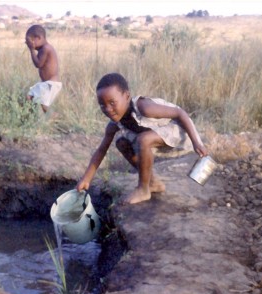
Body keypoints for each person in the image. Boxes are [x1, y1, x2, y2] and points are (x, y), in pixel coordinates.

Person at [76, 73, 208, 204]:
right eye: (102, 105)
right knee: (122, 143)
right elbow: (101, 150)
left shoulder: (144, 107)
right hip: (158, 138)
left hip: (182, 132)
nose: (108, 109)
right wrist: (86, 179)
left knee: (143, 139)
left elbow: (180, 113)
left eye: (112, 102)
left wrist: (197, 142)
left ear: (127, 96)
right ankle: (153, 182)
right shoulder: (114, 125)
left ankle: (143, 190)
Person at [25, 25, 62, 115]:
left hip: (50, 84)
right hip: (45, 83)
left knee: (43, 104)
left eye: (31, 41)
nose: (30, 44)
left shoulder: (46, 48)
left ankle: (56, 118)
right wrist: (33, 48)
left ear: (39, 38)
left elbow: (38, 64)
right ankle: (32, 118)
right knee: (29, 97)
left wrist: (31, 49)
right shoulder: (43, 48)